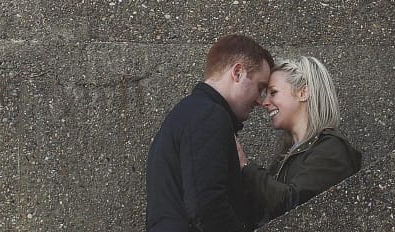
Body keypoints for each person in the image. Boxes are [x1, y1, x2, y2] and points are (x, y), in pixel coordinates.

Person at [146, 34, 274, 232]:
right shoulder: (208, 115)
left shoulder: (188, 113)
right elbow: (207, 207)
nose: (260, 100)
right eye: (260, 87)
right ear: (237, 72)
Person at [236, 56, 362, 225]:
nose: (264, 102)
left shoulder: (332, 148)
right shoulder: (287, 153)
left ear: (303, 93)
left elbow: (296, 206)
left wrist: (245, 167)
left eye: (273, 92)